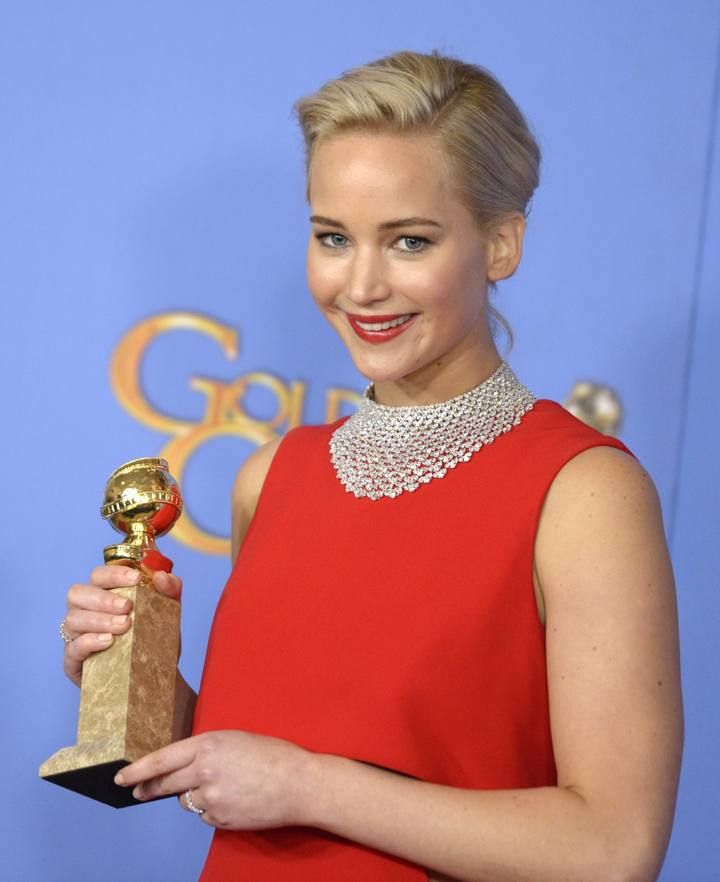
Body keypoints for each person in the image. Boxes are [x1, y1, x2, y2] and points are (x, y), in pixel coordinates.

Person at [60, 49, 683, 882]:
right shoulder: (270, 477)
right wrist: (134, 686)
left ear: (500, 245)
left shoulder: (582, 491)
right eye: (332, 238)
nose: (361, 285)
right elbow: (254, 773)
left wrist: (311, 785)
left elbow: (613, 850)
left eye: (409, 241)